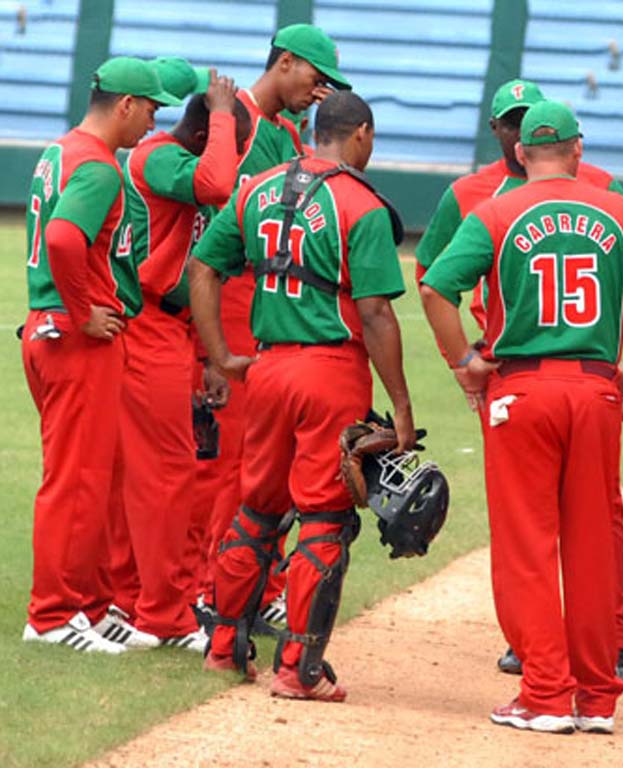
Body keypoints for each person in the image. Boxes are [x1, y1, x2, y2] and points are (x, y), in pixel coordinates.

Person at [421, 100, 623, 734]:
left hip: (522, 390)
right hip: (596, 391)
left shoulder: (494, 210)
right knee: (592, 544)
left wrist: (464, 360)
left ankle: (544, 693)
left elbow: (435, 287)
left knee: (527, 548)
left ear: (519, 153)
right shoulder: (619, 209)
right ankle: (597, 696)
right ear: (577, 149)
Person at [190, 90, 415, 701]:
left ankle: (221, 646)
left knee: (257, 509)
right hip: (329, 372)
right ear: (361, 134)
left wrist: (219, 355)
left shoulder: (256, 188)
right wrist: (403, 407)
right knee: (323, 518)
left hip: (265, 369)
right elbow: (374, 314)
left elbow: (202, 269)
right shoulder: (362, 205)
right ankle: (298, 669)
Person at [192, 23, 351, 628]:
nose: (322, 92)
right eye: (317, 76)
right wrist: (211, 350)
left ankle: (260, 586)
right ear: (285, 62)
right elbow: (214, 212)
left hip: (269, 311)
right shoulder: (240, 120)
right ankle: (217, 595)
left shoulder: (284, 132)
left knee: (269, 467)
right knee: (237, 467)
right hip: (233, 303)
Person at [20, 57, 180, 652]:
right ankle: (52, 616)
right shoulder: (100, 166)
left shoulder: (59, 150)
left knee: (94, 478)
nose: (153, 124)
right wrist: (84, 307)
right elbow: (64, 239)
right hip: (74, 337)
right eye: (152, 110)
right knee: (76, 482)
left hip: (48, 327)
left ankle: (85, 606)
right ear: (126, 106)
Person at [95, 64, 252, 651]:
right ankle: (162, 614)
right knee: (165, 474)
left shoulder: (175, 161)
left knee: (151, 473)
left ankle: (134, 600)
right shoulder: (158, 157)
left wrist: (208, 354)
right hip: (145, 325)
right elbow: (214, 185)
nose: (233, 159)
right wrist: (220, 116)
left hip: (173, 328)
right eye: (232, 146)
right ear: (203, 133)